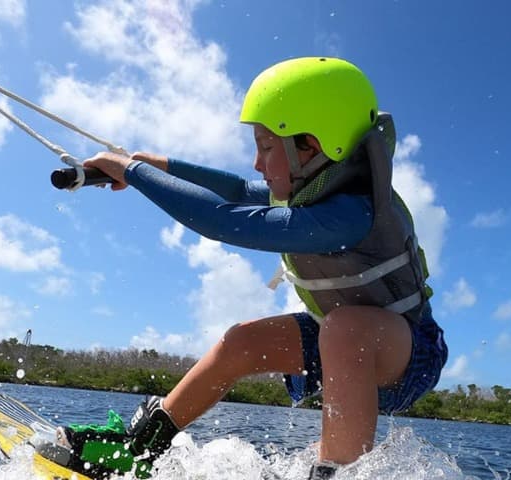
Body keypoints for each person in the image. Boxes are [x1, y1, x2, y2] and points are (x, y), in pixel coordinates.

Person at [46, 57, 448, 480]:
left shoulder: (350, 213)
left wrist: (132, 171)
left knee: (344, 327)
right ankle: (141, 447)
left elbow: (222, 219)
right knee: (241, 342)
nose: (257, 163)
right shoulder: (307, 190)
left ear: (311, 146)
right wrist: (164, 166)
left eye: (267, 147)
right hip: (339, 339)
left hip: (407, 353)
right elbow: (237, 190)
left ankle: (337, 473)